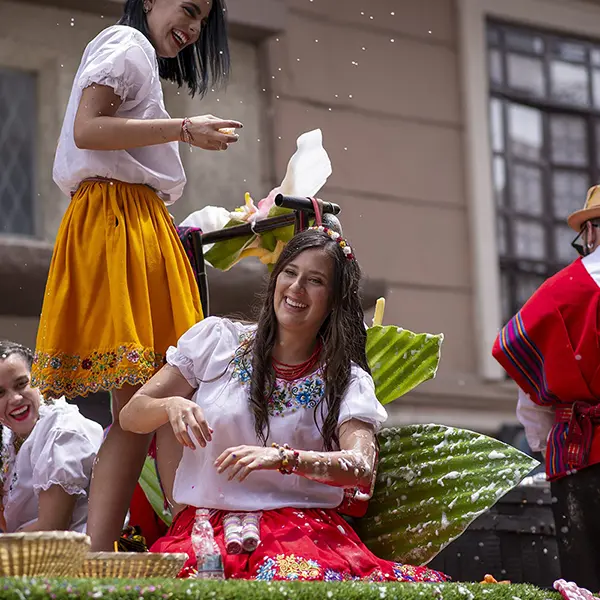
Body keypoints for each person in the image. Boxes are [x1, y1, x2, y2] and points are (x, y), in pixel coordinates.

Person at [30, 0, 243, 550]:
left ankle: (113, 551)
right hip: (120, 220)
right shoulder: (128, 46)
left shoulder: (134, 51)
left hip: (127, 220)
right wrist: (185, 129)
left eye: (203, 21)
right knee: (163, 387)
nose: (194, 30)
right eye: (189, 10)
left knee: (140, 403)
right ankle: (186, 540)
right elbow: (87, 129)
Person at [120, 227, 447, 582]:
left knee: (288, 580)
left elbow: (360, 465)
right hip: (202, 532)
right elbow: (131, 415)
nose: (296, 288)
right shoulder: (217, 342)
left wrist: (284, 458)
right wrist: (171, 405)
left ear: (334, 300)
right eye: (290, 273)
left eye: (315, 280)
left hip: (300, 534)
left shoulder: (346, 380)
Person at [493, 184, 600, 591]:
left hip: (581, 454)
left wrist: (543, 442)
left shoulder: (558, 293)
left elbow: (532, 395)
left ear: (591, 232)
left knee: (586, 581)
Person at [0, 341, 103, 533]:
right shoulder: (7, 435)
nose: (15, 399)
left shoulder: (63, 432)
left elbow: (51, 528)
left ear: (40, 379)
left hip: (78, 557)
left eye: (21, 384)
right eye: (0, 393)